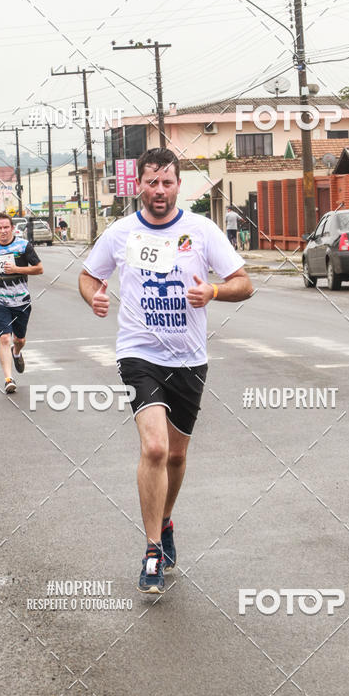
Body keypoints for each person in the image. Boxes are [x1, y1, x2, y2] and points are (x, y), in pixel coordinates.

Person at [79, 147, 253, 594]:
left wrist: (214, 291)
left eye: (167, 182)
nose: (159, 190)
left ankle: (166, 519)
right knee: (155, 448)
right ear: (139, 184)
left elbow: (244, 283)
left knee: (176, 455)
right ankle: (153, 549)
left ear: (178, 186)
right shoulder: (121, 232)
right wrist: (93, 296)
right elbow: (88, 275)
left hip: (189, 358)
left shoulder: (202, 230)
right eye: (151, 182)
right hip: (138, 354)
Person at [0, 213, 43, 394]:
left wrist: (16, 269)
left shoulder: (23, 246)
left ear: (12, 228)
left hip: (21, 300)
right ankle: (8, 379)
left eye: (6, 227)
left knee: (19, 339)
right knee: (4, 338)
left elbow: (39, 268)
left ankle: (17, 352)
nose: (3, 231)